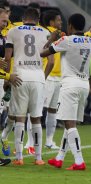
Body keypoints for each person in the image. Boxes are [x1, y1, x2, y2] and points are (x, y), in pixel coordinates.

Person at [41, 13, 91, 170]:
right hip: (84, 84)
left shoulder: (66, 40)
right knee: (70, 123)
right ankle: (60, 158)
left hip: (70, 84)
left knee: (69, 125)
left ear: (70, 25)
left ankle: (79, 161)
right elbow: (82, 39)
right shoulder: (90, 41)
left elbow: (43, 52)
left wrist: (52, 39)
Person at [5, 8, 54, 165]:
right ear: (38, 19)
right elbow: (51, 61)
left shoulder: (13, 31)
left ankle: (19, 158)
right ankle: (38, 158)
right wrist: (42, 78)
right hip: (38, 77)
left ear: (23, 18)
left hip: (20, 76)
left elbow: (7, 58)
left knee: (20, 117)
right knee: (36, 118)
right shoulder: (45, 32)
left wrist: (7, 78)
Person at [0, 8, 21, 166]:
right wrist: (8, 77)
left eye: (6, 21)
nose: (5, 23)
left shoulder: (2, 37)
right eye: (2, 20)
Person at [41, 9, 63, 149]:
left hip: (58, 78)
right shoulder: (45, 34)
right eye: (58, 20)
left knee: (52, 110)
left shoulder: (60, 35)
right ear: (51, 22)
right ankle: (30, 143)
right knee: (37, 110)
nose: (61, 22)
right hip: (46, 77)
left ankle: (49, 141)